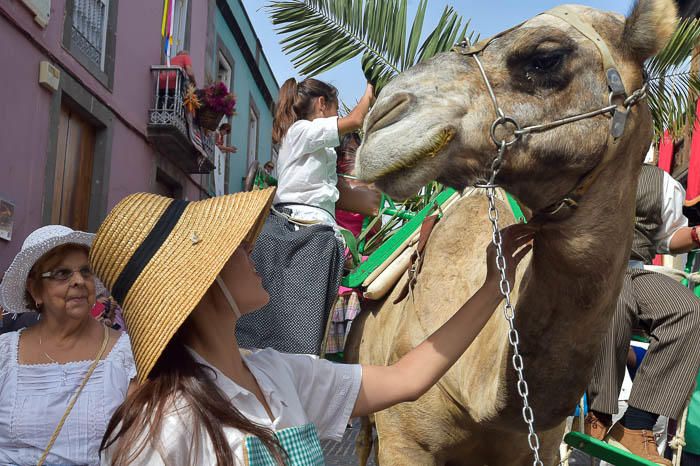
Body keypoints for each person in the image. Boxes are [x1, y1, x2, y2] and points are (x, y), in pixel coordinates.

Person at [94, 189, 534, 465]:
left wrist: (494, 288)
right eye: (235, 249)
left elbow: (407, 378)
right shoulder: (165, 428)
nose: (254, 251)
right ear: (203, 283)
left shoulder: (276, 373)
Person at [235, 78, 374, 355]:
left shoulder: (306, 142)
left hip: (297, 221)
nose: (337, 116)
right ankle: (298, 354)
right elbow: (356, 119)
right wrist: (371, 88)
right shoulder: (302, 130)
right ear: (321, 105)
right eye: (334, 109)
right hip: (306, 224)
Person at [585, 164, 700, 465]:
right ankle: (598, 413)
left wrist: (697, 235)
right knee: (616, 291)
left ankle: (636, 425)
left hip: (637, 270)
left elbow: (669, 238)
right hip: (586, 269)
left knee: (689, 310)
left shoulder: (660, 182)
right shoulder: (581, 162)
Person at [0, 225, 135, 465]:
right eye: (62, 274)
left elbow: (137, 448)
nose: (79, 281)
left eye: (85, 271)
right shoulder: (5, 354)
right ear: (35, 290)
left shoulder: (126, 357)